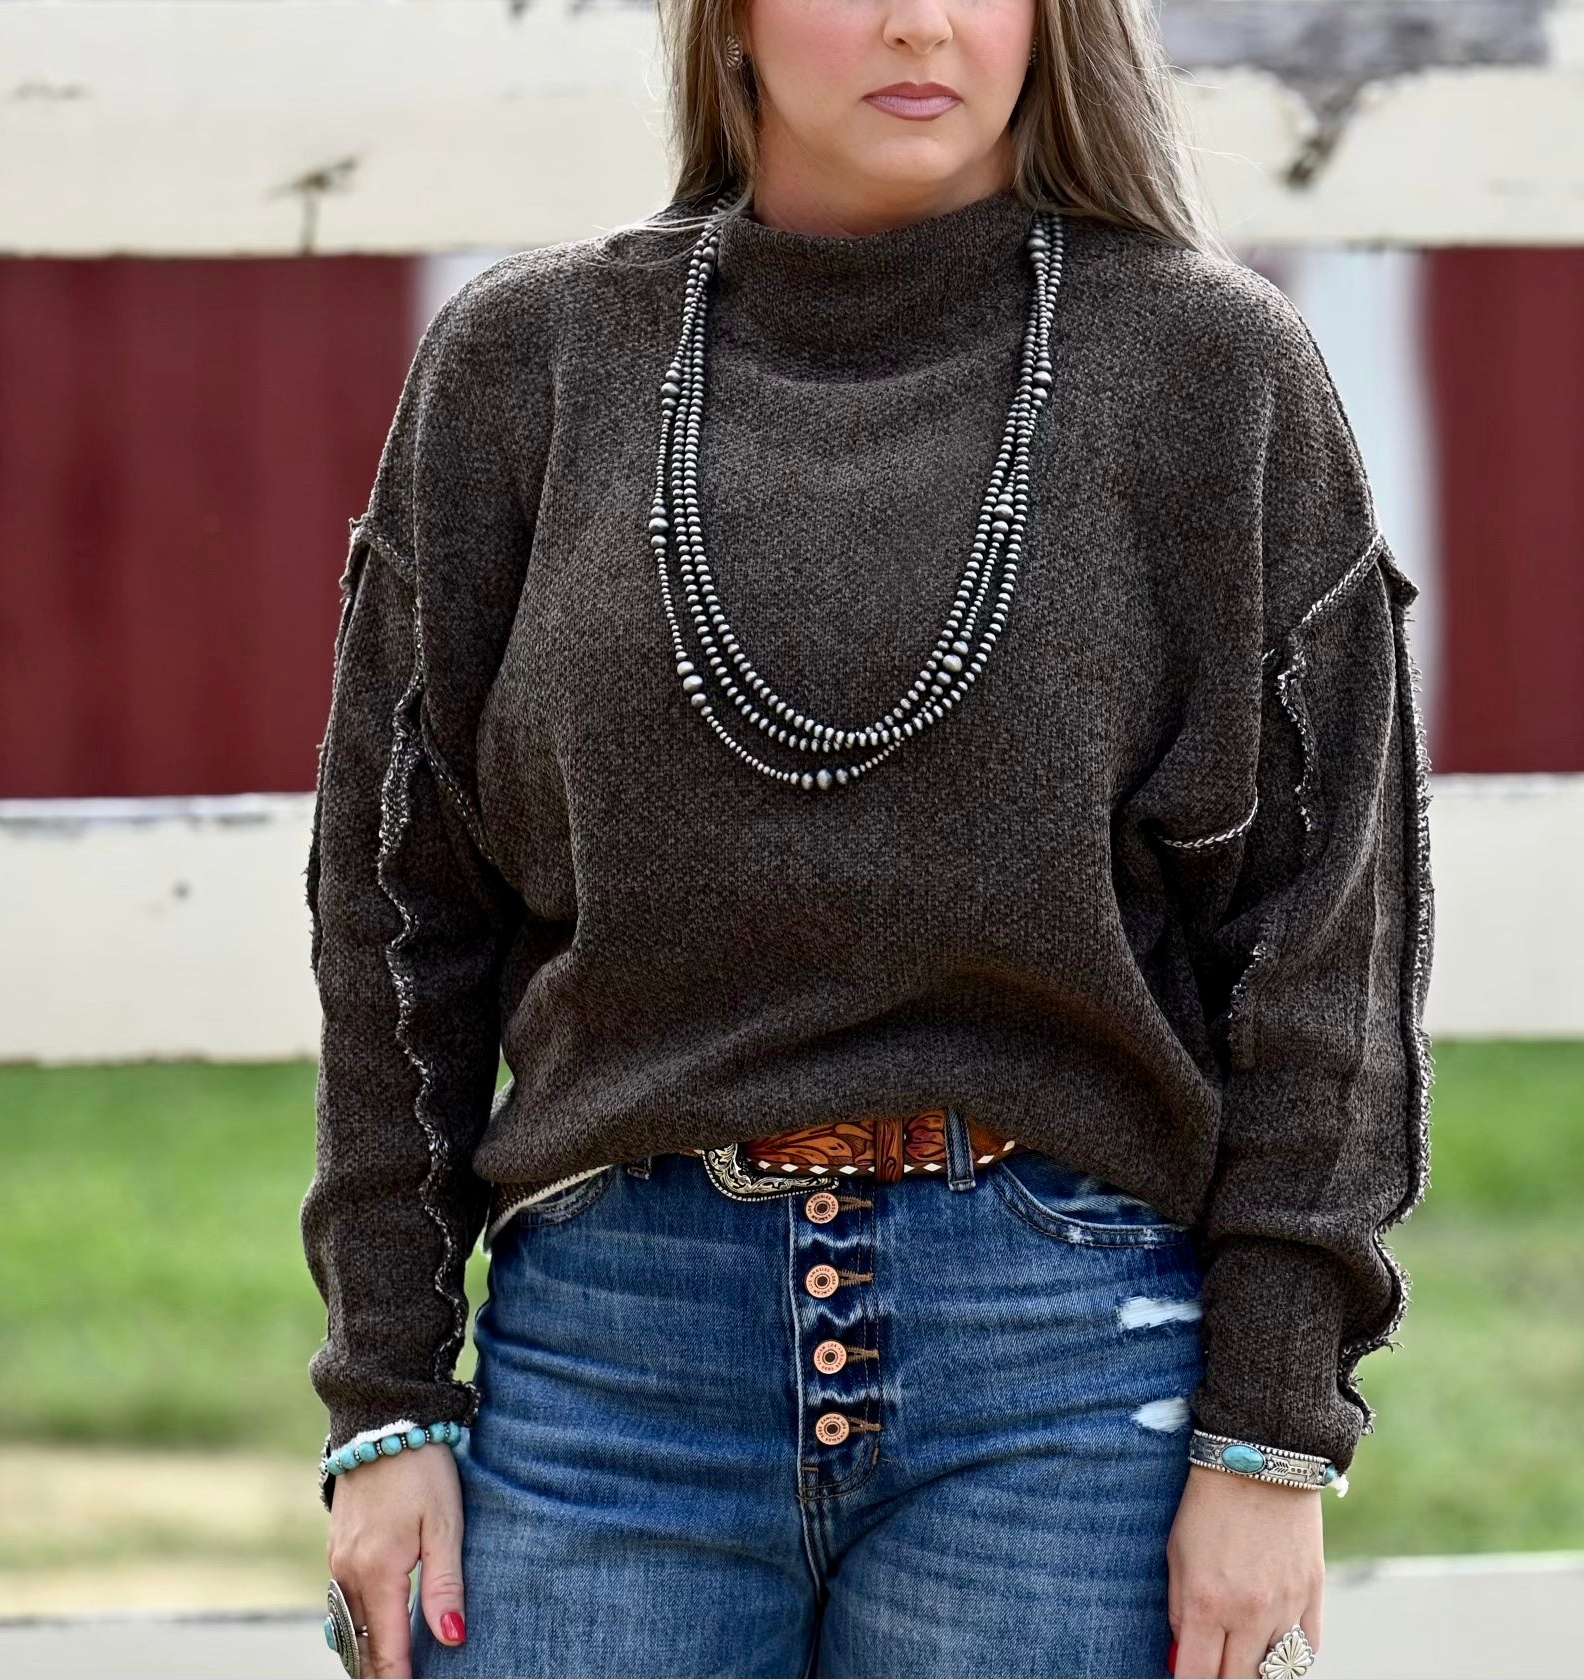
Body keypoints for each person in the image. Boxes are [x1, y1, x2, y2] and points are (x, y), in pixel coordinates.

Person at [299, 0, 1435, 1674]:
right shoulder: (524, 367)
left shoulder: (1212, 373)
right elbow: (399, 916)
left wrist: (1269, 1433)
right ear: (730, 23)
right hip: (609, 1366)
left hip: (1064, 1382)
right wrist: (386, 1396)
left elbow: (1323, 941)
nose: (921, 24)